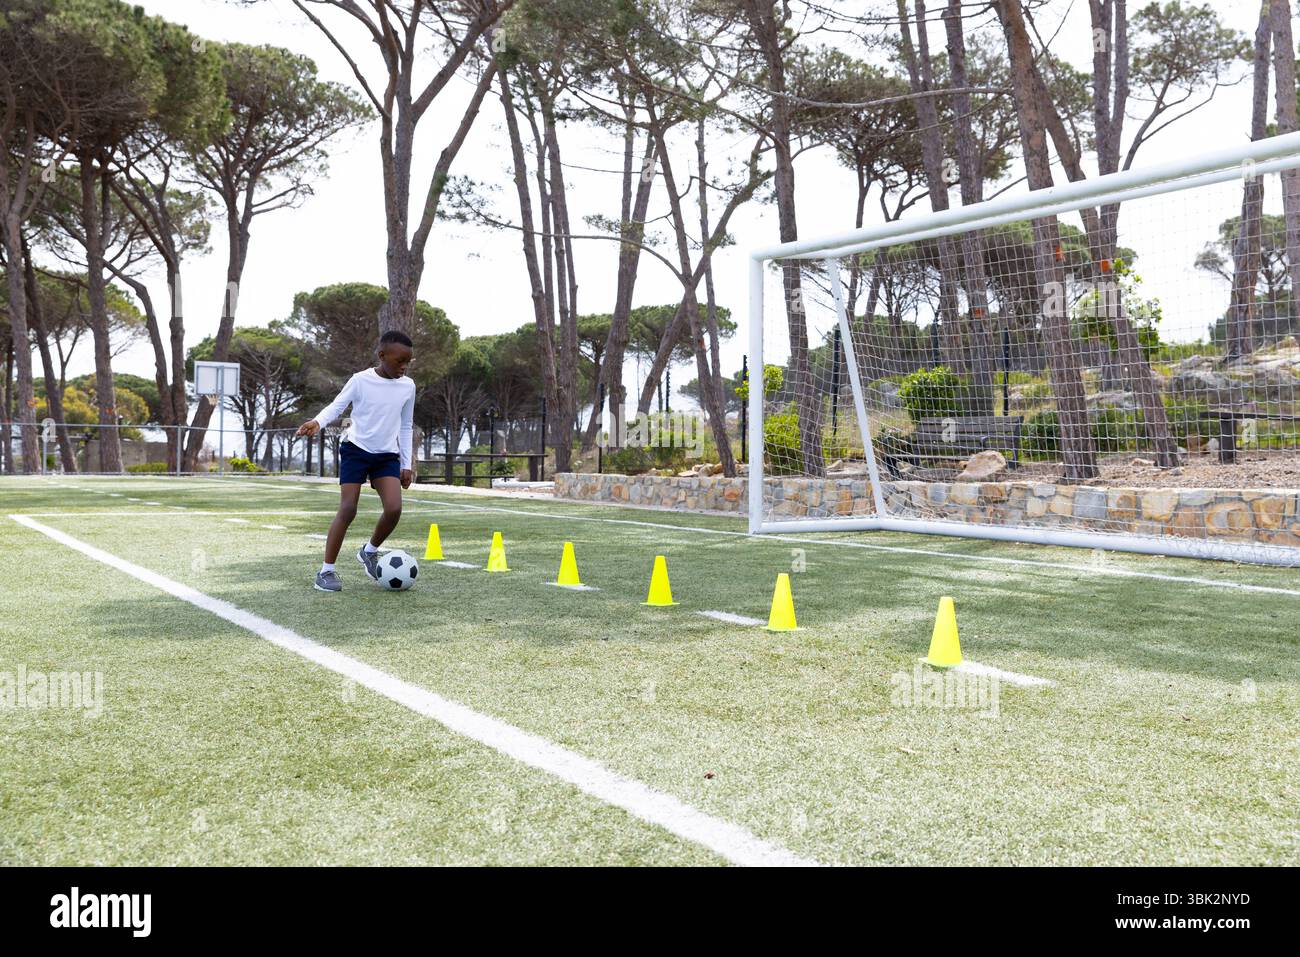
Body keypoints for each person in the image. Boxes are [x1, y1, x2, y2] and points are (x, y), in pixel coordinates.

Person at [296, 330, 416, 592]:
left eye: (409, 361)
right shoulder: (360, 380)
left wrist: (406, 464)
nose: (404, 366)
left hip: (386, 455)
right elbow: (338, 406)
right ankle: (326, 571)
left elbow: (406, 426)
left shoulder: (408, 386)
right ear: (382, 355)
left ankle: (369, 551)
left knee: (394, 508)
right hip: (356, 449)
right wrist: (317, 421)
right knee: (348, 509)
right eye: (399, 361)